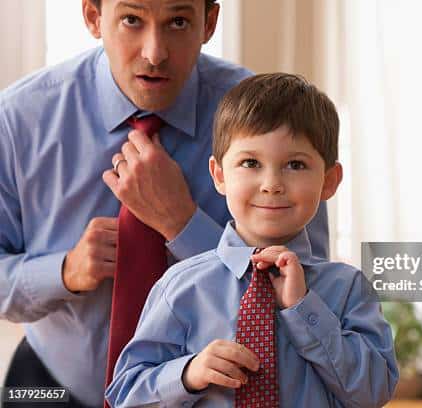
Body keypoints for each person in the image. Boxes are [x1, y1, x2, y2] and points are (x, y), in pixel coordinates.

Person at [0, 1, 328, 407]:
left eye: (177, 21)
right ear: (92, 17)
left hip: (210, 396)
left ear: (208, 22)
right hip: (48, 387)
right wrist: (65, 271)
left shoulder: (271, 118)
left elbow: (309, 293)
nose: (155, 52)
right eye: (131, 20)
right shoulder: (18, 119)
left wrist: (182, 224)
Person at [105, 73, 398, 407]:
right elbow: (125, 394)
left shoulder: (347, 289)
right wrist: (187, 374)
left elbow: (373, 392)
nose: (271, 184)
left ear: (329, 181)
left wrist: (304, 310)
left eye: (295, 164)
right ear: (219, 175)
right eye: (250, 163)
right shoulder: (180, 287)